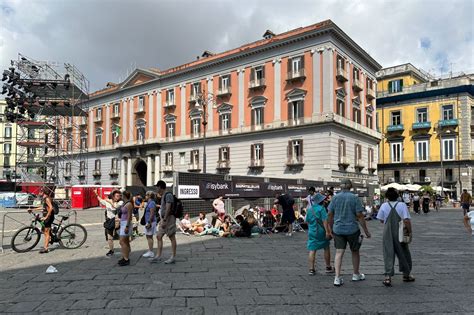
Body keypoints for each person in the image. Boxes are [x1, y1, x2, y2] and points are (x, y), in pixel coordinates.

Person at [328, 179, 371, 287]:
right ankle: (356, 274)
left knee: (339, 253)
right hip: (352, 229)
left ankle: (337, 278)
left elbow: (330, 214)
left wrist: (331, 228)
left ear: (341, 187)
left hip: (338, 229)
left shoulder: (335, 198)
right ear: (350, 186)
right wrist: (366, 230)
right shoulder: (354, 198)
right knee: (355, 251)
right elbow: (360, 216)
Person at [377, 188, 415, 286]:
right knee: (404, 252)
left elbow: (381, 220)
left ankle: (388, 277)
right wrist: (410, 232)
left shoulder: (384, 205)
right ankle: (406, 274)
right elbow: (406, 220)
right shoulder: (402, 205)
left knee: (388, 253)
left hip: (388, 232)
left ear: (387, 197)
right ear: (397, 196)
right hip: (400, 232)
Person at [306, 193, 334, 276]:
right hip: (321, 231)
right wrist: (327, 232)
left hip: (312, 231)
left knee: (312, 249)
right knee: (326, 247)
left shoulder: (310, 209)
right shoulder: (322, 209)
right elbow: (325, 221)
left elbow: (307, 221)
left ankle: (311, 269)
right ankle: (328, 267)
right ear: (321, 201)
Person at [151, 180, 177, 264]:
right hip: (164, 218)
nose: (156, 188)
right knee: (159, 236)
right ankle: (158, 255)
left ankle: (173, 256)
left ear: (160, 187)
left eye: (157, 187)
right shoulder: (163, 195)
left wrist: (165, 219)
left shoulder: (168, 195)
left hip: (169, 218)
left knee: (171, 237)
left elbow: (168, 208)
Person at [94, 189, 123, 257]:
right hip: (109, 221)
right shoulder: (107, 202)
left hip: (117, 221)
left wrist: (109, 201)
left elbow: (115, 208)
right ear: (113, 196)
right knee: (109, 237)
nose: (118, 197)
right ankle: (111, 250)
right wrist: (96, 194)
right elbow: (100, 200)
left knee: (121, 237)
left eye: (119, 196)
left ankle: (125, 248)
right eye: (116, 196)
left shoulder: (120, 202)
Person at [29, 188, 55, 254]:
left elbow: (51, 208)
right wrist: (33, 209)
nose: (39, 193)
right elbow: (43, 207)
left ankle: (46, 248)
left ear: (43, 192)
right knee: (44, 230)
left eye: (40, 191)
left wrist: (46, 217)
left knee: (46, 232)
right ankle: (51, 237)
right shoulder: (44, 198)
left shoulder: (47, 198)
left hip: (49, 217)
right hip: (46, 216)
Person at [118, 191, 133, 266]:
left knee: (122, 241)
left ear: (124, 196)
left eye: (121, 195)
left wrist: (127, 226)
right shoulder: (124, 203)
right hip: (123, 222)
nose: (121, 196)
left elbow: (129, 216)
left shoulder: (129, 204)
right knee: (125, 241)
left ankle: (126, 258)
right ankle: (125, 256)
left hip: (126, 223)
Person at [142, 191, 157, 258]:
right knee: (148, 236)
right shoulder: (150, 203)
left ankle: (151, 252)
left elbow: (152, 213)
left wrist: (149, 222)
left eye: (146, 195)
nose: (145, 196)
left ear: (149, 196)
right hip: (149, 222)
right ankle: (150, 250)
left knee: (149, 237)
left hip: (150, 222)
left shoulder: (151, 203)